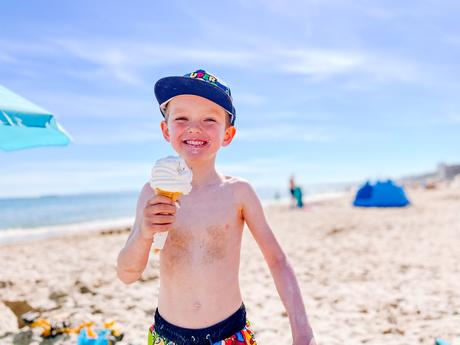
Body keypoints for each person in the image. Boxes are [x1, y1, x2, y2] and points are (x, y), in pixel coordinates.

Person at [116, 69, 316, 345]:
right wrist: (144, 233)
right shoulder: (151, 193)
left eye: (209, 119)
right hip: (167, 336)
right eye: (181, 118)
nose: (194, 128)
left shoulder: (238, 193)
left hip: (229, 333)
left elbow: (277, 261)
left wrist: (303, 332)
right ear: (166, 130)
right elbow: (127, 274)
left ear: (228, 134)